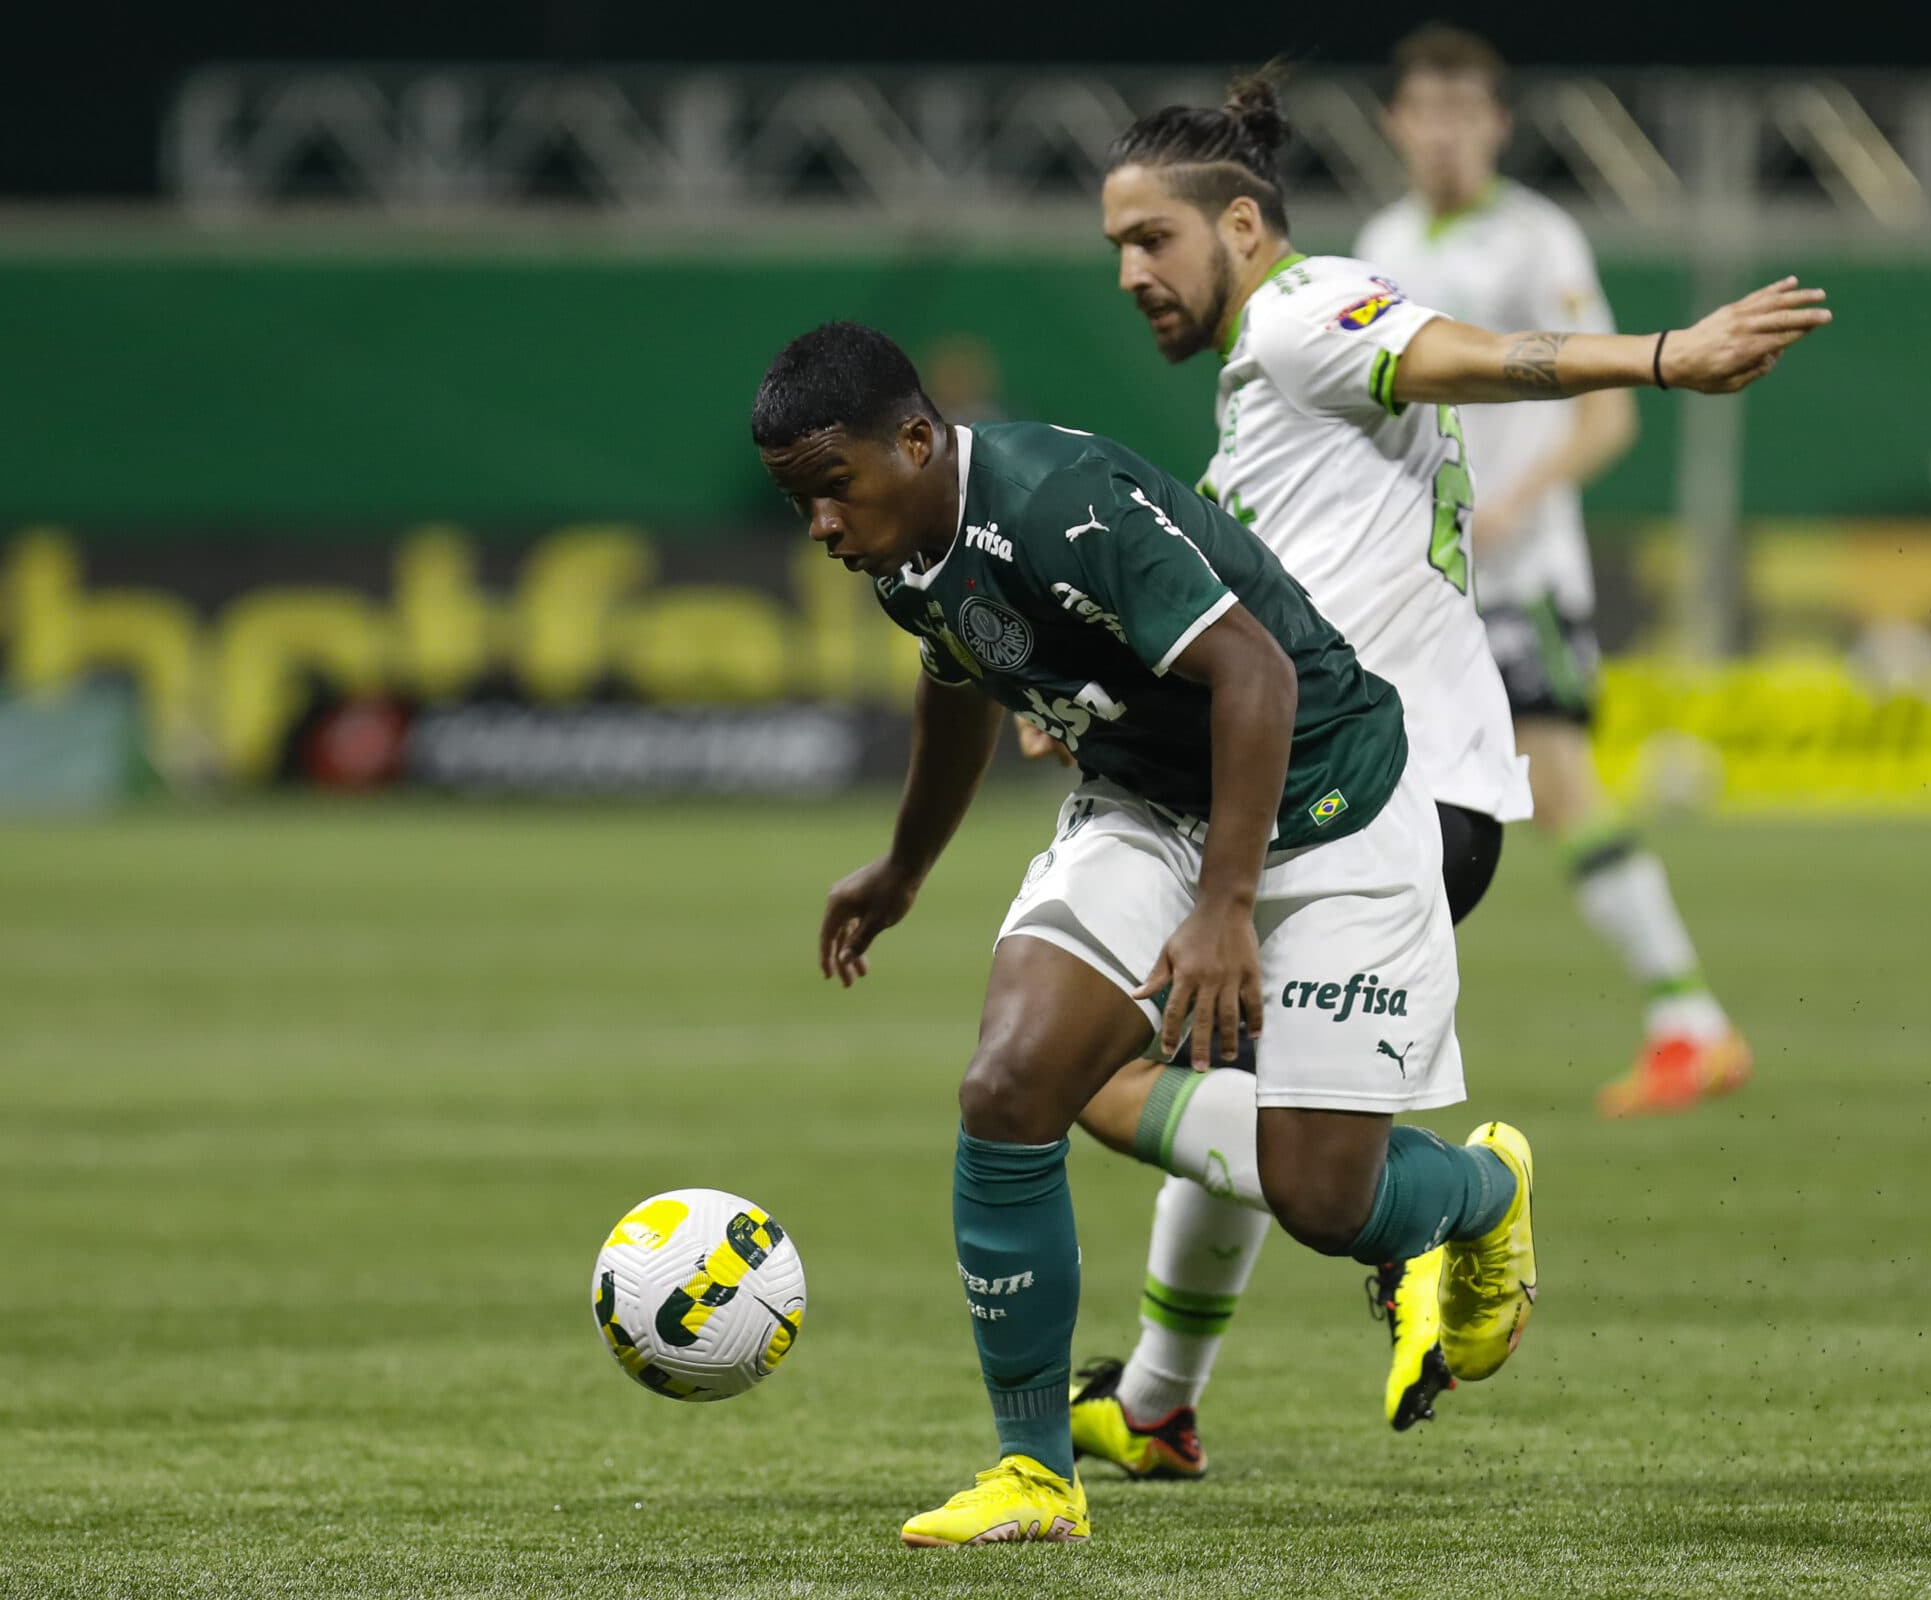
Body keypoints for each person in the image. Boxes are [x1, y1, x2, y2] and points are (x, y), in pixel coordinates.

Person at [1057, 64, 1832, 1475]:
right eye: (1116, 245)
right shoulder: (1266, 390)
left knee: (1099, 1071)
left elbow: (1458, 354)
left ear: (1241, 227)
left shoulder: (1304, 311)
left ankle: (1452, 1206)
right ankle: (1158, 1403)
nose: (1129, 274)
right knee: (1222, 1059)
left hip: (1379, 798)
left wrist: (1666, 356)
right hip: (1385, 791)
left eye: (1150, 239)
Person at [752, 321, 1537, 1547]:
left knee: (1322, 1200)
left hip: (1331, 801)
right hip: (1149, 808)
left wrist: (1225, 909)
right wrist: (905, 866)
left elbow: (1258, 677)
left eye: (832, 487)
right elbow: (955, 678)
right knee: (1010, 1083)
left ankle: (1485, 1191)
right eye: (800, 501)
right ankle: (1034, 1472)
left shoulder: (1060, 502)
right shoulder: (902, 547)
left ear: (914, 441)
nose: (822, 524)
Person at [1360, 24, 1757, 1119]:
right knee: (1402, 794)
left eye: (1464, 113)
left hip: (1519, 575)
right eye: (1425, 113)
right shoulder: (1382, 241)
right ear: (1395, 125)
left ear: (1497, 124)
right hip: (1420, 586)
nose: (1444, 134)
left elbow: (1608, 417)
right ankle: (1368, 1031)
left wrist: (1515, 502)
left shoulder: (1538, 238)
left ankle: (1691, 1021)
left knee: (1560, 783)